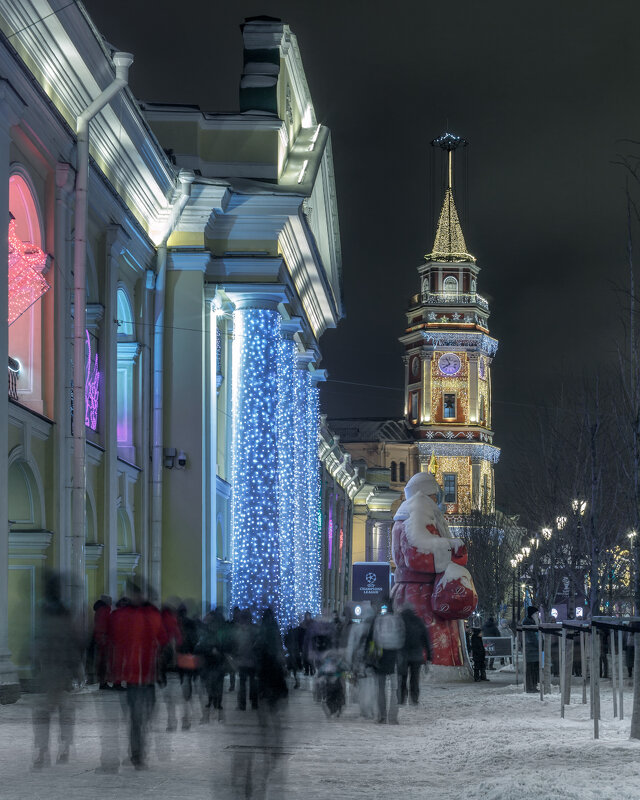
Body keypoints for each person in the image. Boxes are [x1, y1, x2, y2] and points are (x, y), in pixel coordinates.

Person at [390, 472, 478, 670]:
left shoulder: (408, 514)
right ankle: (434, 671)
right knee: (432, 640)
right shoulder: (419, 510)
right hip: (423, 596)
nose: (438, 500)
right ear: (427, 494)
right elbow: (418, 552)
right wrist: (453, 548)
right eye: (435, 495)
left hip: (413, 593)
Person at [109, 582, 168, 769]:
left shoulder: (150, 614)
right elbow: (116, 641)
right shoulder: (127, 615)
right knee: (136, 718)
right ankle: (137, 754)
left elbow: (163, 640)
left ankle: (139, 748)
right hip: (134, 677)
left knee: (145, 716)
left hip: (148, 674)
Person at [32, 572, 83, 768]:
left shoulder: (45, 612)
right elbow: (72, 643)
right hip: (59, 671)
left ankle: (46, 750)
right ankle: (60, 747)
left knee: (47, 713)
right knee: (61, 713)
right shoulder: (62, 612)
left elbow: (39, 640)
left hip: (52, 670)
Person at [368, 598, 405, 724]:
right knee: (394, 688)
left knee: (381, 688)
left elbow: (371, 639)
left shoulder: (378, 620)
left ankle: (382, 716)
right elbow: (402, 638)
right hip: (394, 656)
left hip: (380, 656)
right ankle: (393, 717)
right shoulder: (398, 620)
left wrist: (370, 656)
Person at [397, 606, 431, 704]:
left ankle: (401, 698)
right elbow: (426, 639)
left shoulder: (400, 622)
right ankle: (414, 698)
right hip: (416, 655)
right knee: (415, 678)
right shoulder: (418, 621)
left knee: (402, 678)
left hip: (403, 655)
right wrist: (429, 656)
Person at [522, 605, 540, 693]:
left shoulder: (532, 622)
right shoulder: (528, 624)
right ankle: (530, 687)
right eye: (536, 613)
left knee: (534, 669)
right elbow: (532, 638)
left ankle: (533, 686)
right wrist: (539, 645)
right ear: (532, 614)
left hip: (534, 651)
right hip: (530, 650)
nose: (538, 615)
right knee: (530, 670)